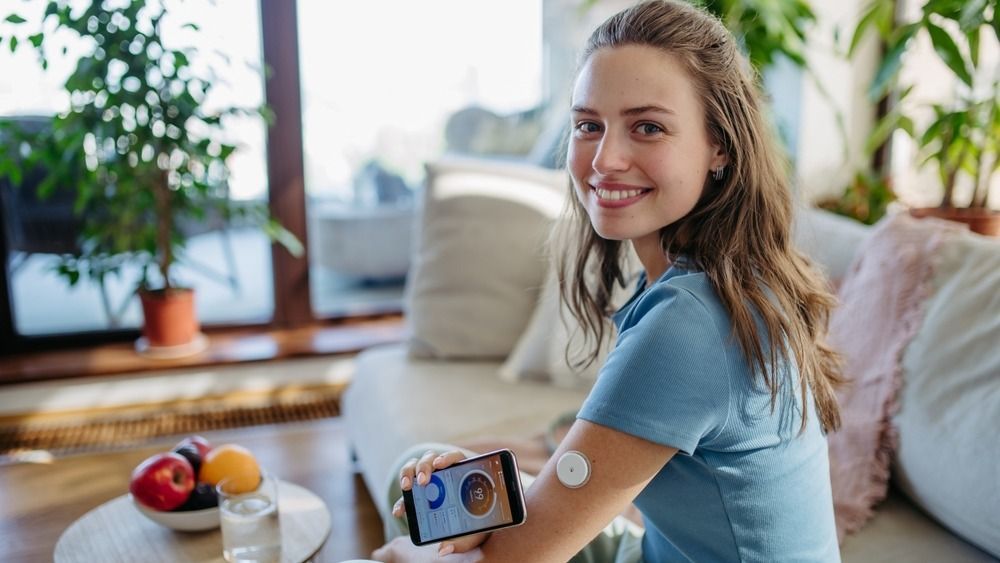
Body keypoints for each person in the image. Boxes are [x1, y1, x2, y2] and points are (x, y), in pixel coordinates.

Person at [373, 1, 843, 561]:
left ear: (720, 145)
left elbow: (520, 558)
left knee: (426, 530)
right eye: (588, 126)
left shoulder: (691, 323)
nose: (605, 158)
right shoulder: (728, 278)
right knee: (423, 483)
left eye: (647, 127)